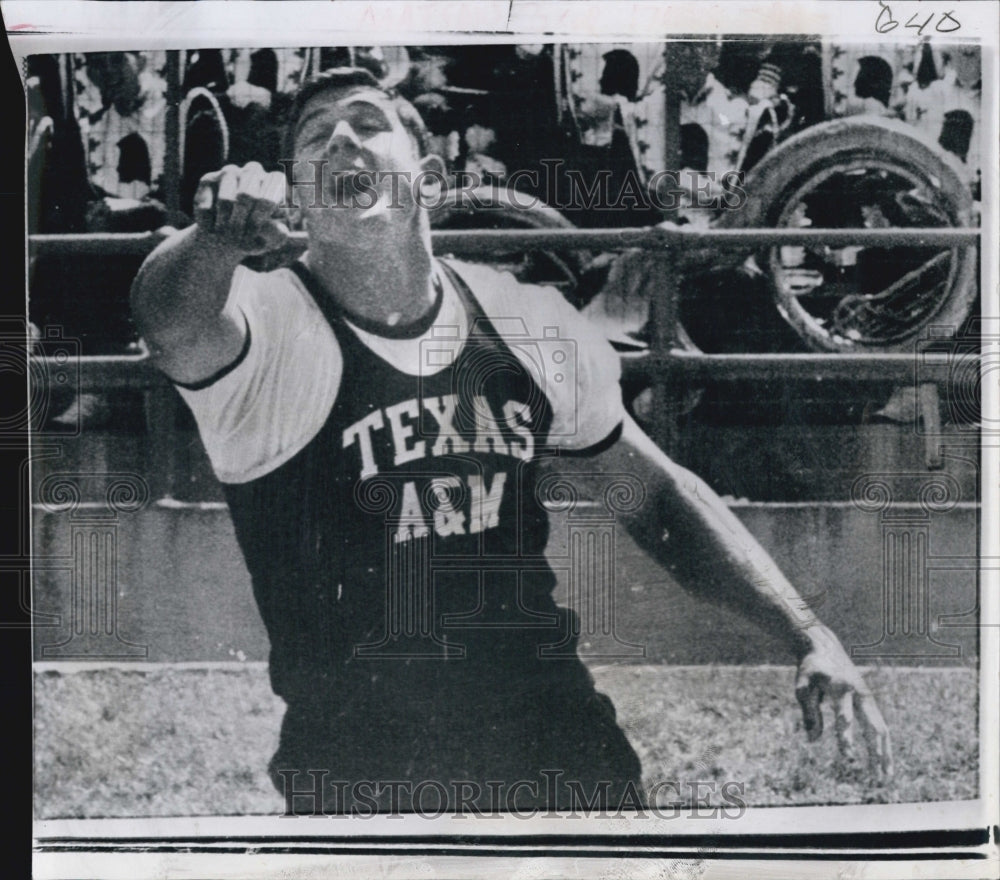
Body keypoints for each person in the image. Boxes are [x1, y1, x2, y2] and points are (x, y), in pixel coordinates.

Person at [130, 68, 892, 815]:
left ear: (428, 177)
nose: (340, 143)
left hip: (550, 737)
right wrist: (210, 241)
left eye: (366, 123)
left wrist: (807, 632)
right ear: (294, 196)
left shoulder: (523, 318)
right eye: (314, 138)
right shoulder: (265, 327)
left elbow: (654, 495)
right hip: (363, 762)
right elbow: (167, 323)